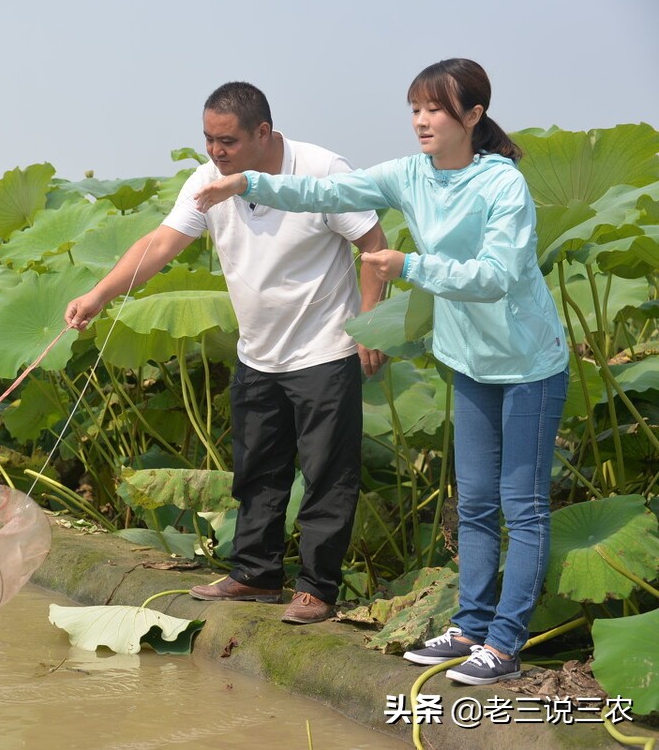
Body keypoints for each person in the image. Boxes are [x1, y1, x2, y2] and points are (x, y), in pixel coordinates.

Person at [194, 59, 568, 685]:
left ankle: (504, 645)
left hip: (528, 362)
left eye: (436, 110)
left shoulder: (502, 186)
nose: (421, 121)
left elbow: (498, 277)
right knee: (473, 503)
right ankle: (471, 627)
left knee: (520, 506)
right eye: (415, 109)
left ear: (472, 117)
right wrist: (247, 184)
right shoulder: (410, 174)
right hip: (470, 358)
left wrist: (410, 267)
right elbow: (326, 193)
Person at [66, 81, 388, 625]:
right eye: (209, 140)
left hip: (324, 347)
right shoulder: (207, 180)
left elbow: (375, 248)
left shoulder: (323, 172)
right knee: (257, 469)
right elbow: (162, 243)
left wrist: (370, 325)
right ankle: (255, 574)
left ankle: (316, 589)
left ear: (263, 132)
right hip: (258, 350)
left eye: (228, 142)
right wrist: (100, 294)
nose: (216, 152)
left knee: (327, 475)